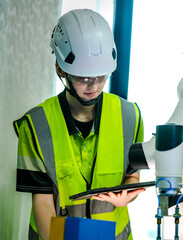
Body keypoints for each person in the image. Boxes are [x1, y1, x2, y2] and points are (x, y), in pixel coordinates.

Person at [14, 9, 144, 240]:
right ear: (60, 68)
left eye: (100, 76)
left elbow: (132, 176)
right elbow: (42, 201)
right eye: (83, 76)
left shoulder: (130, 116)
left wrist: (127, 196)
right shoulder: (35, 125)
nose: (93, 85)